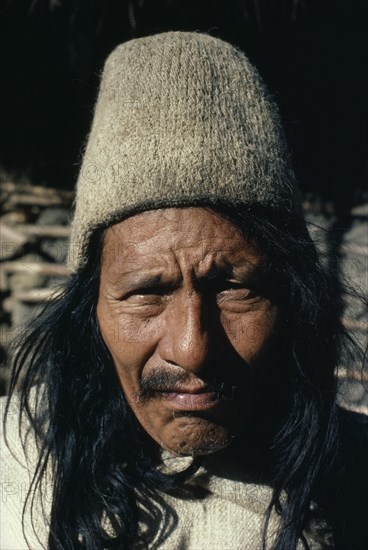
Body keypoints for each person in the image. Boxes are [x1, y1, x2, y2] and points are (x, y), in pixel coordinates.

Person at [0, 31, 358, 549]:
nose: (191, 349)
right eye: (147, 292)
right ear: (91, 306)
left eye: (234, 289)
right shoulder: (12, 465)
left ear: (292, 296)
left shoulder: (355, 484)